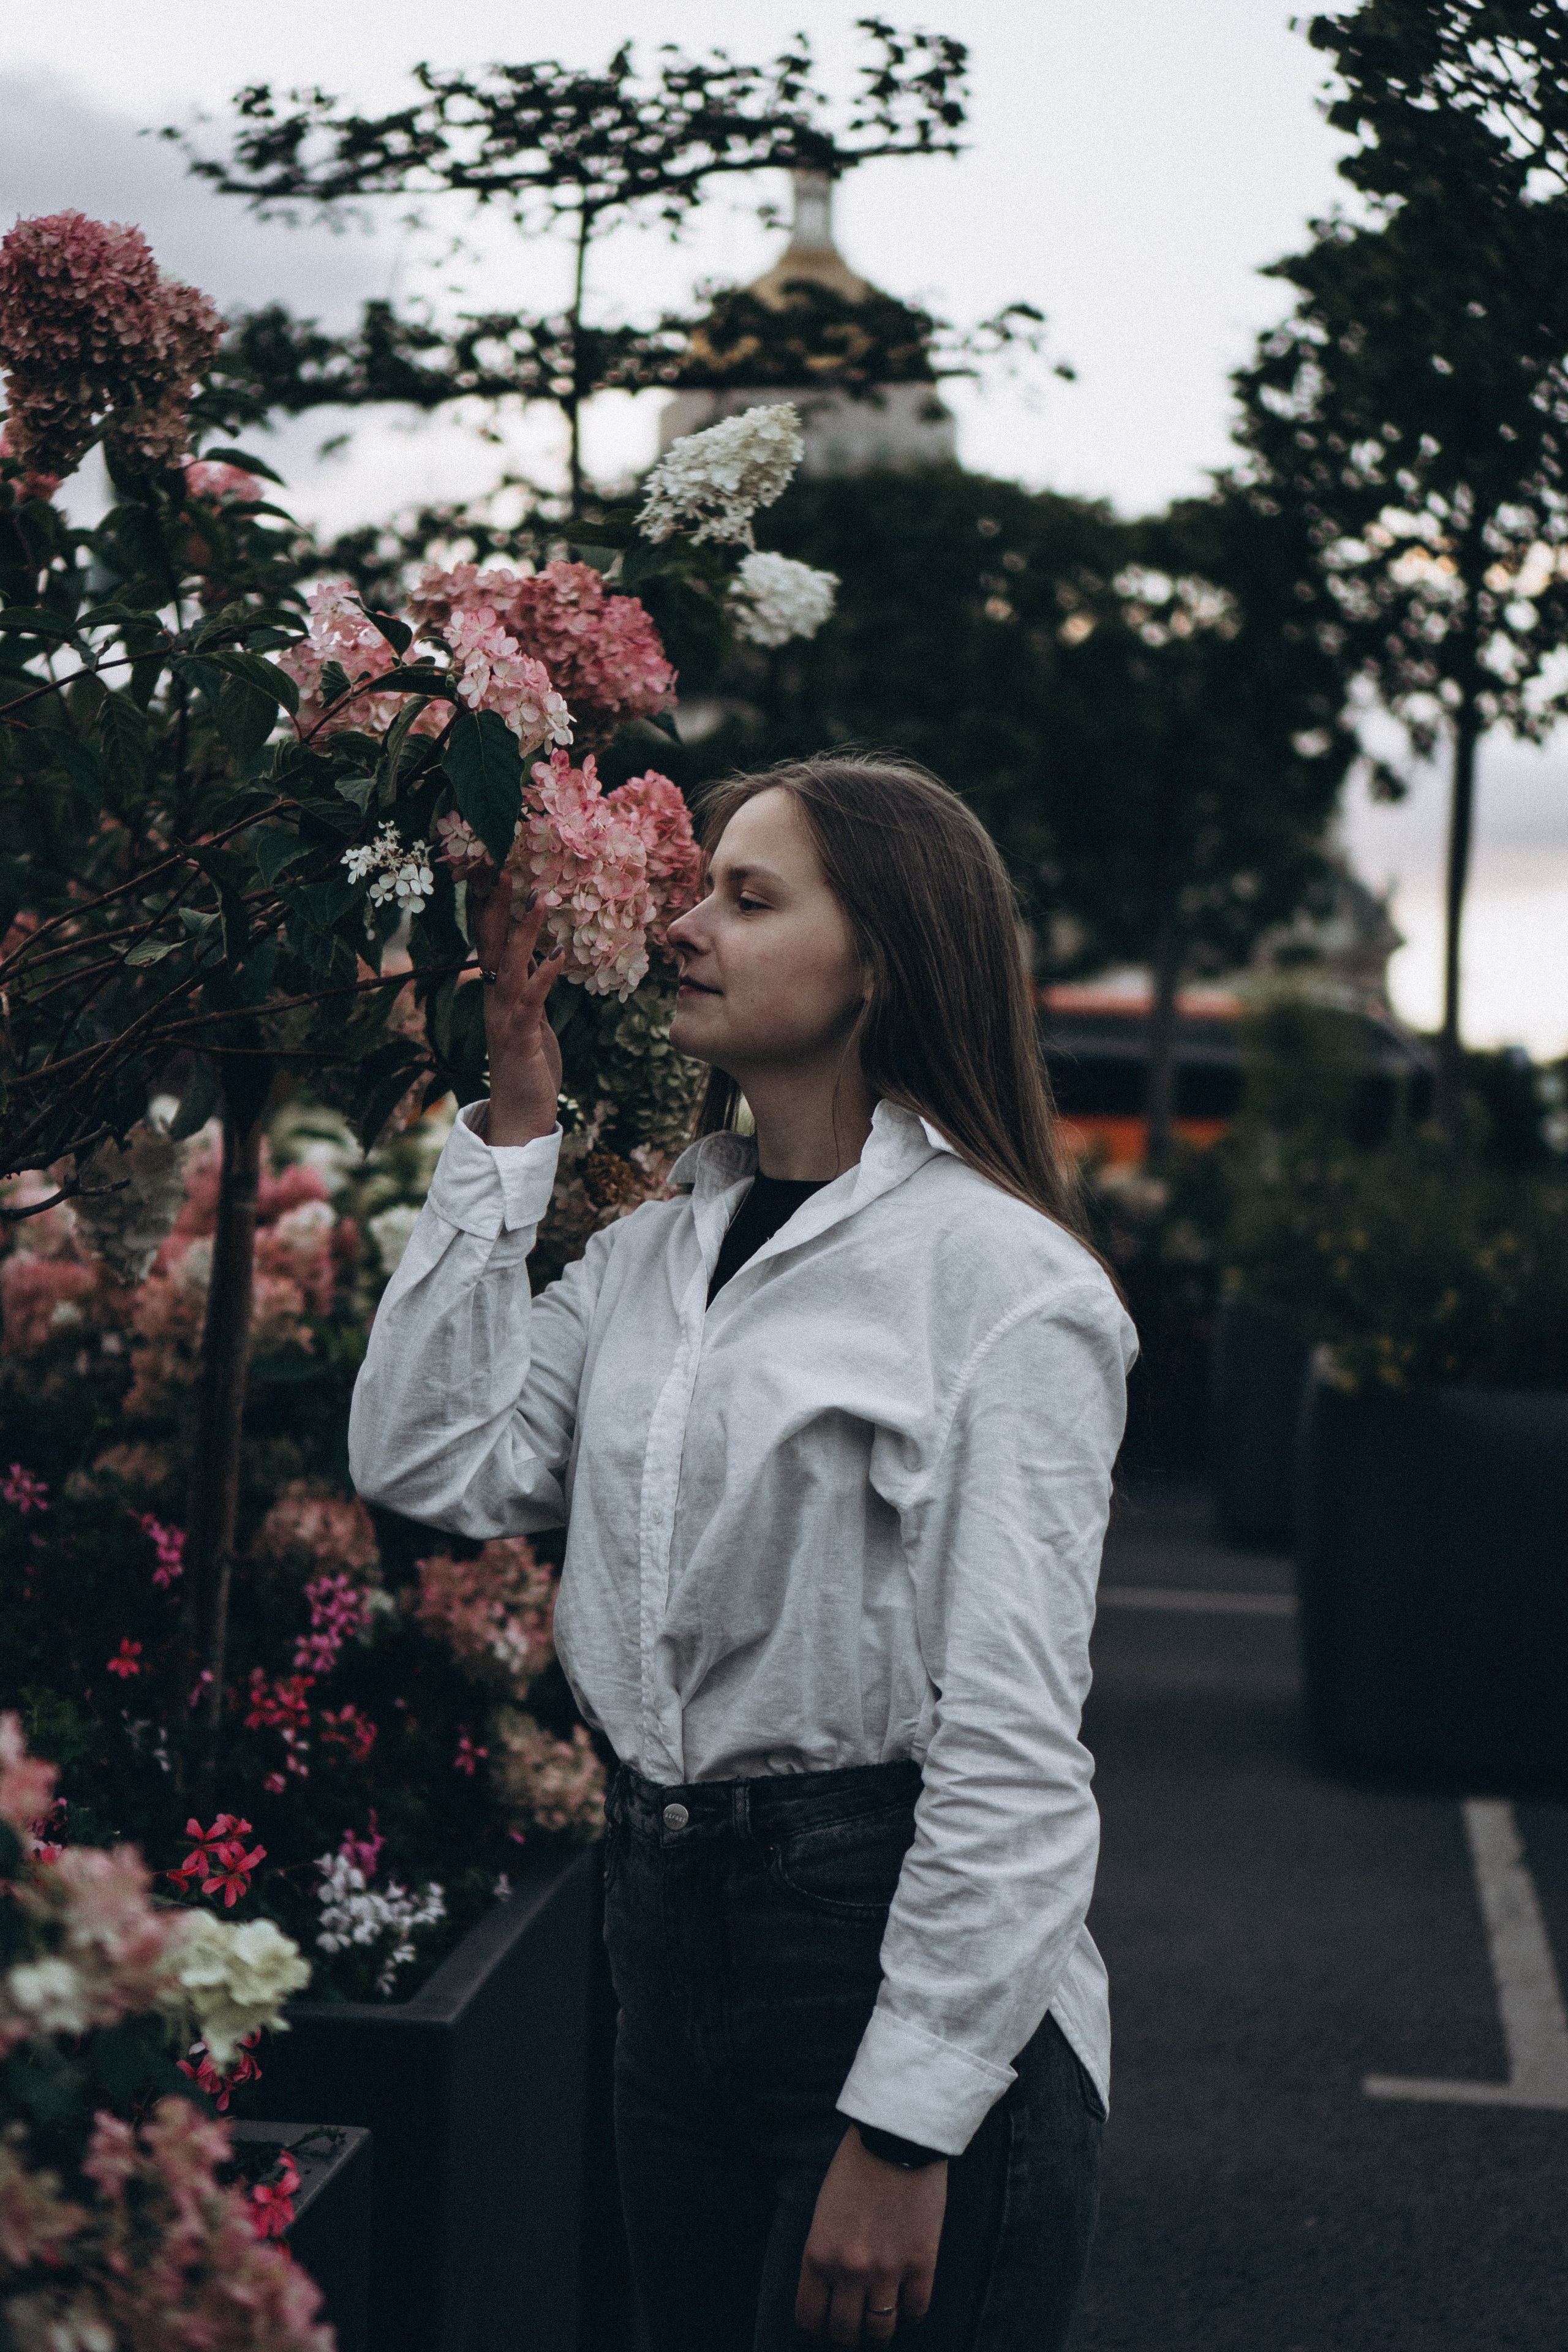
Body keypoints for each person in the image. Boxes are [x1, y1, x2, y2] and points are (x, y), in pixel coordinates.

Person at [349, 755, 1136, 2351]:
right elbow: (430, 1458)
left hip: (890, 1952)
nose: (688, 926)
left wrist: (908, 2128)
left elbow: (1012, 1748)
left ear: (884, 964)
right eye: (700, 886)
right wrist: (514, 1114)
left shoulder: (1008, 1289)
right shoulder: (654, 1254)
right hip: (664, 1954)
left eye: (749, 898)